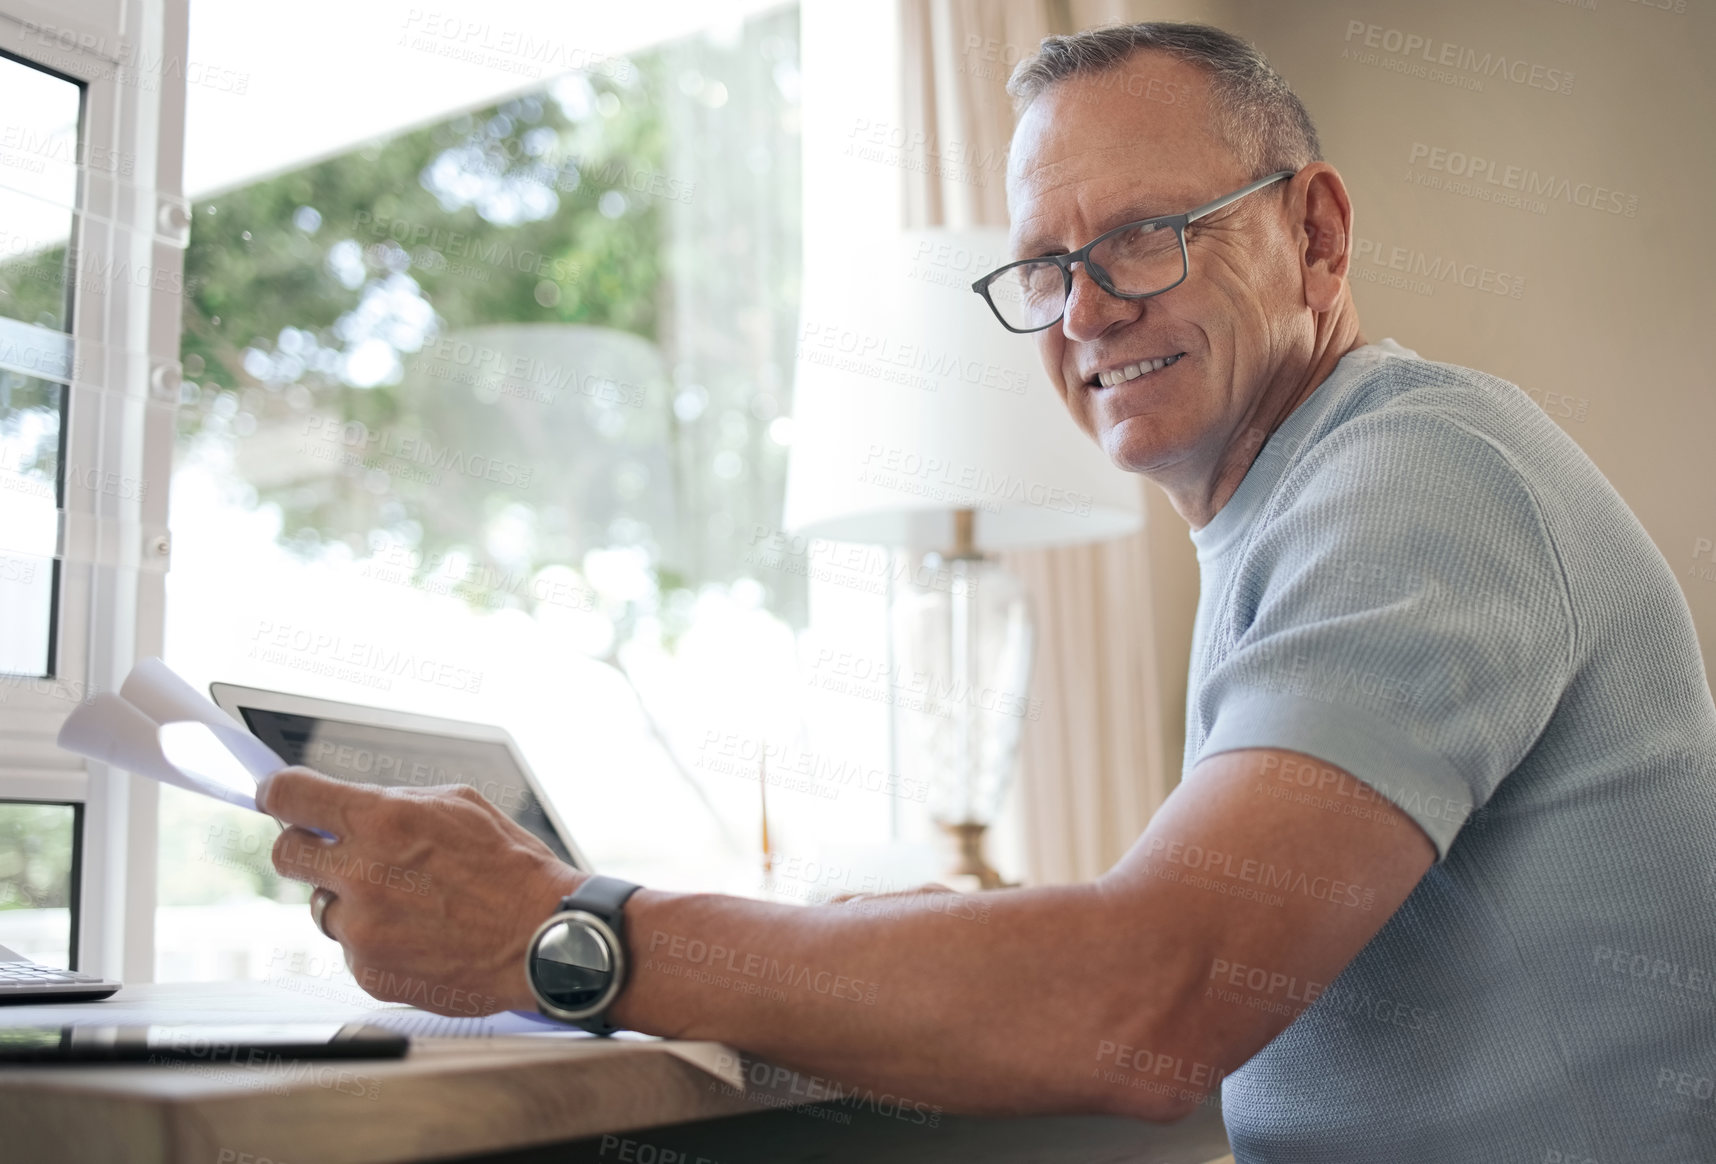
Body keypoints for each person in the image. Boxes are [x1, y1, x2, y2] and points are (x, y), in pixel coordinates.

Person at [258, 22, 1716, 1162]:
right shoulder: (1306, 504)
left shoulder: (1415, 482)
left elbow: (1151, 998)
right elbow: (1162, 952)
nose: (1086, 310)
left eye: (1148, 234)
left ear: (1318, 237)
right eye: (1047, 265)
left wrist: (566, 929)